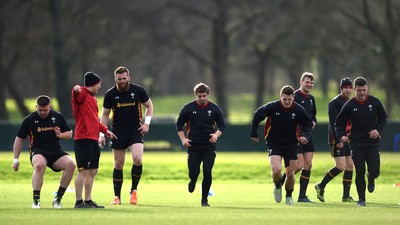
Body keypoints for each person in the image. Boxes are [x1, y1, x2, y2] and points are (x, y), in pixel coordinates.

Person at [99, 66, 153, 205]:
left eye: (124, 78)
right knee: (118, 164)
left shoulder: (138, 90)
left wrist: (146, 123)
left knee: (137, 158)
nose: (122, 81)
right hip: (118, 132)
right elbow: (105, 114)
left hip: (135, 131)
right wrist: (102, 133)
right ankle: (117, 197)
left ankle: (133, 191)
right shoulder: (110, 94)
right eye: (119, 79)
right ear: (115, 79)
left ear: (129, 77)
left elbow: (149, 106)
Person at [250, 85, 313, 205]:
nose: (287, 102)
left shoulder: (298, 109)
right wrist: (253, 132)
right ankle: (277, 186)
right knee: (276, 170)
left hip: (292, 144)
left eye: (289, 99)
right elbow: (257, 115)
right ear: (280, 97)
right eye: (285, 99)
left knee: (290, 173)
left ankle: (289, 196)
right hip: (274, 143)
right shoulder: (272, 106)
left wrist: (306, 136)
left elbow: (308, 124)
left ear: (293, 98)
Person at [12, 95, 76, 209]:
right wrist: (16, 159)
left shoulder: (57, 116)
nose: (42, 112)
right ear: (36, 107)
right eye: (40, 110)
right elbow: (19, 139)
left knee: (71, 164)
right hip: (38, 151)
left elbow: (69, 134)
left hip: (56, 151)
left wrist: (60, 135)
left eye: (45, 110)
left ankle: (58, 198)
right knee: (40, 166)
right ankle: (36, 200)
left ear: (50, 107)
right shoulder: (29, 119)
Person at [335, 77, 387, 207]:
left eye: (364, 90)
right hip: (356, 143)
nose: (362, 93)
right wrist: (341, 135)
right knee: (359, 171)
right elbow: (339, 122)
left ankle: (371, 177)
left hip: (372, 143)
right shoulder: (350, 105)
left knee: (375, 171)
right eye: (359, 90)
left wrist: (377, 130)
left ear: (367, 88)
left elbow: (383, 118)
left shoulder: (375, 102)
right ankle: (361, 199)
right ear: (354, 89)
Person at [71, 72, 117, 208]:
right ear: (94, 84)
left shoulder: (93, 99)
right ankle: (79, 202)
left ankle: (88, 200)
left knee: (93, 170)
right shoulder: (83, 94)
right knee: (83, 170)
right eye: (99, 84)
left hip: (92, 138)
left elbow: (95, 121)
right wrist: (76, 89)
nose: (100, 87)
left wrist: (105, 130)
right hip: (83, 138)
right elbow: (76, 96)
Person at [176, 82, 225, 207]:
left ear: (208, 95)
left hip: (209, 145)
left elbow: (222, 126)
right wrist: (183, 139)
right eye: (199, 96)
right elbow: (179, 124)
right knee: (194, 172)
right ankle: (192, 180)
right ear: (196, 95)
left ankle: (204, 200)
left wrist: (216, 135)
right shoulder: (188, 108)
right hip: (193, 145)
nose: (202, 98)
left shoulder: (215, 109)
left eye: (204, 96)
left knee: (207, 171)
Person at [315, 78, 354, 202]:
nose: (348, 90)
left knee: (350, 166)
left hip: (347, 138)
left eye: (350, 87)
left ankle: (346, 196)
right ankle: (321, 185)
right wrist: (337, 140)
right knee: (341, 166)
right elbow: (333, 123)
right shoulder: (334, 103)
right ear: (341, 88)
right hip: (336, 138)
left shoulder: (352, 102)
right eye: (345, 87)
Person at [280, 72, 317, 202]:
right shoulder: (293, 96)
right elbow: (289, 113)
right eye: (307, 82)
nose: (309, 84)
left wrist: (314, 122)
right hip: (296, 135)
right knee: (299, 166)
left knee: (308, 164)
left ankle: (302, 196)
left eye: (311, 82)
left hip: (308, 135)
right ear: (301, 82)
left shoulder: (311, 98)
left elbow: (313, 116)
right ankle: (281, 182)